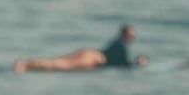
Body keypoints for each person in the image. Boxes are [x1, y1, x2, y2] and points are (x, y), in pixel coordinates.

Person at [13, 24, 147, 74]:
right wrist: (138, 62)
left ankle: (27, 64)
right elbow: (124, 65)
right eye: (131, 36)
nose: (132, 39)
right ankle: (26, 64)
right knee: (60, 65)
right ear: (124, 35)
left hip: (90, 53)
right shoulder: (120, 46)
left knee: (58, 62)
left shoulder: (116, 43)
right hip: (92, 59)